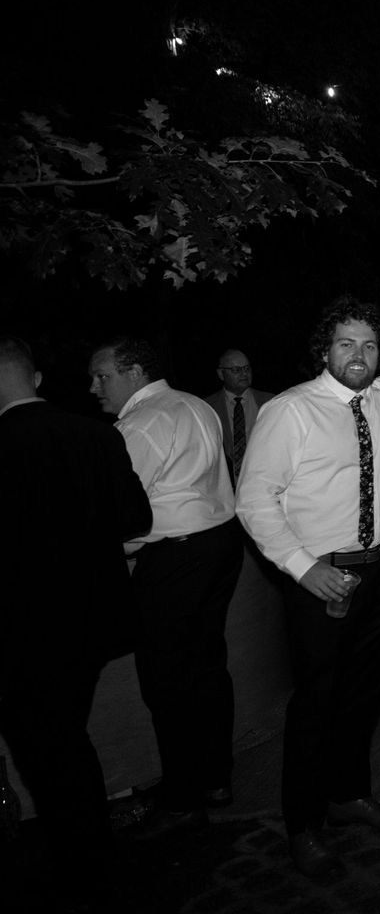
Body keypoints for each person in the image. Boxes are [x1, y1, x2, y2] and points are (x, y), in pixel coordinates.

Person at [236, 298, 380, 878]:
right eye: (345, 344)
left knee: (364, 696)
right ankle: (303, 825)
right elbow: (254, 499)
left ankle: (349, 795)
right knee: (315, 705)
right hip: (320, 578)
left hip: (378, 571)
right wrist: (303, 567)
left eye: (368, 345)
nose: (358, 355)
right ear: (323, 350)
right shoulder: (291, 411)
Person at [1, 336, 150, 889]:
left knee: (46, 745)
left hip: (23, 630)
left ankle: (81, 859)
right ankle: (91, 851)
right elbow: (134, 517)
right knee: (65, 734)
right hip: (92, 621)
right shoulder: (94, 434)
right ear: (35, 378)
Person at [88, 336, 244, 836]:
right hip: (219, 544)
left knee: (166, 680)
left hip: (176, 556)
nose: (94, 388)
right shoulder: (195, 404)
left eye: (102, 376)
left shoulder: (142, 422)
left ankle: (182, 797)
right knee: (206, 668)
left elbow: (118, 510)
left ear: (134, 372)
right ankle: (216, 778)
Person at [204, 348, 273, 485]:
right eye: (236, 370)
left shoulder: (270, 402)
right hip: (224, 488)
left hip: (263, 483)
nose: (244, 373)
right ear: (221, 374)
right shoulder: (206, 407)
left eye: (247, 368)